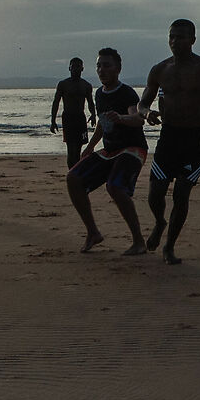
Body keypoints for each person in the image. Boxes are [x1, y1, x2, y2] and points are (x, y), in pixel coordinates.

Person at [139, 18, 200, 265]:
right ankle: (160, 222)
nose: (175, 41)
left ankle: (169, 247)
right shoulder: (160, 70)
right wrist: (147, 113)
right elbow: (142, 103)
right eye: (172, 36)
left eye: (181, 37)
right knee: (155, 194)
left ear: (193, 40)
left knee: (182, 193)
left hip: (197, 138)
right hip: (169, 137)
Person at [66, 47, 147, 254]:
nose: (101, 70)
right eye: (99, 66)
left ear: (118, 69)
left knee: (115, 186)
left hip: (132, 149)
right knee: (73, 178)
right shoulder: (99, 94)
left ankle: (139, 241)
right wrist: (91, 146)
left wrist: (121, 118)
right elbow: (102, 123)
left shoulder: (126, 92)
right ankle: (93, 232)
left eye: (106, 65)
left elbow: (137, 119)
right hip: (110, 150)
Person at [49, 58, 96, 166]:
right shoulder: (63, 84)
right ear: (69, 68)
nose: (76, 69)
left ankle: (76, 171)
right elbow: (56, 102)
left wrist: (93, 115)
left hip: (80, 117)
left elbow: (90, 102)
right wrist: (53, 121)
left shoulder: (86, 85)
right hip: (68, 118)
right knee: (71, 149)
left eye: (78, 66)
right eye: (73, 66)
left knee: (78, 148)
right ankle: (72, 172)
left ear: (82, 68)